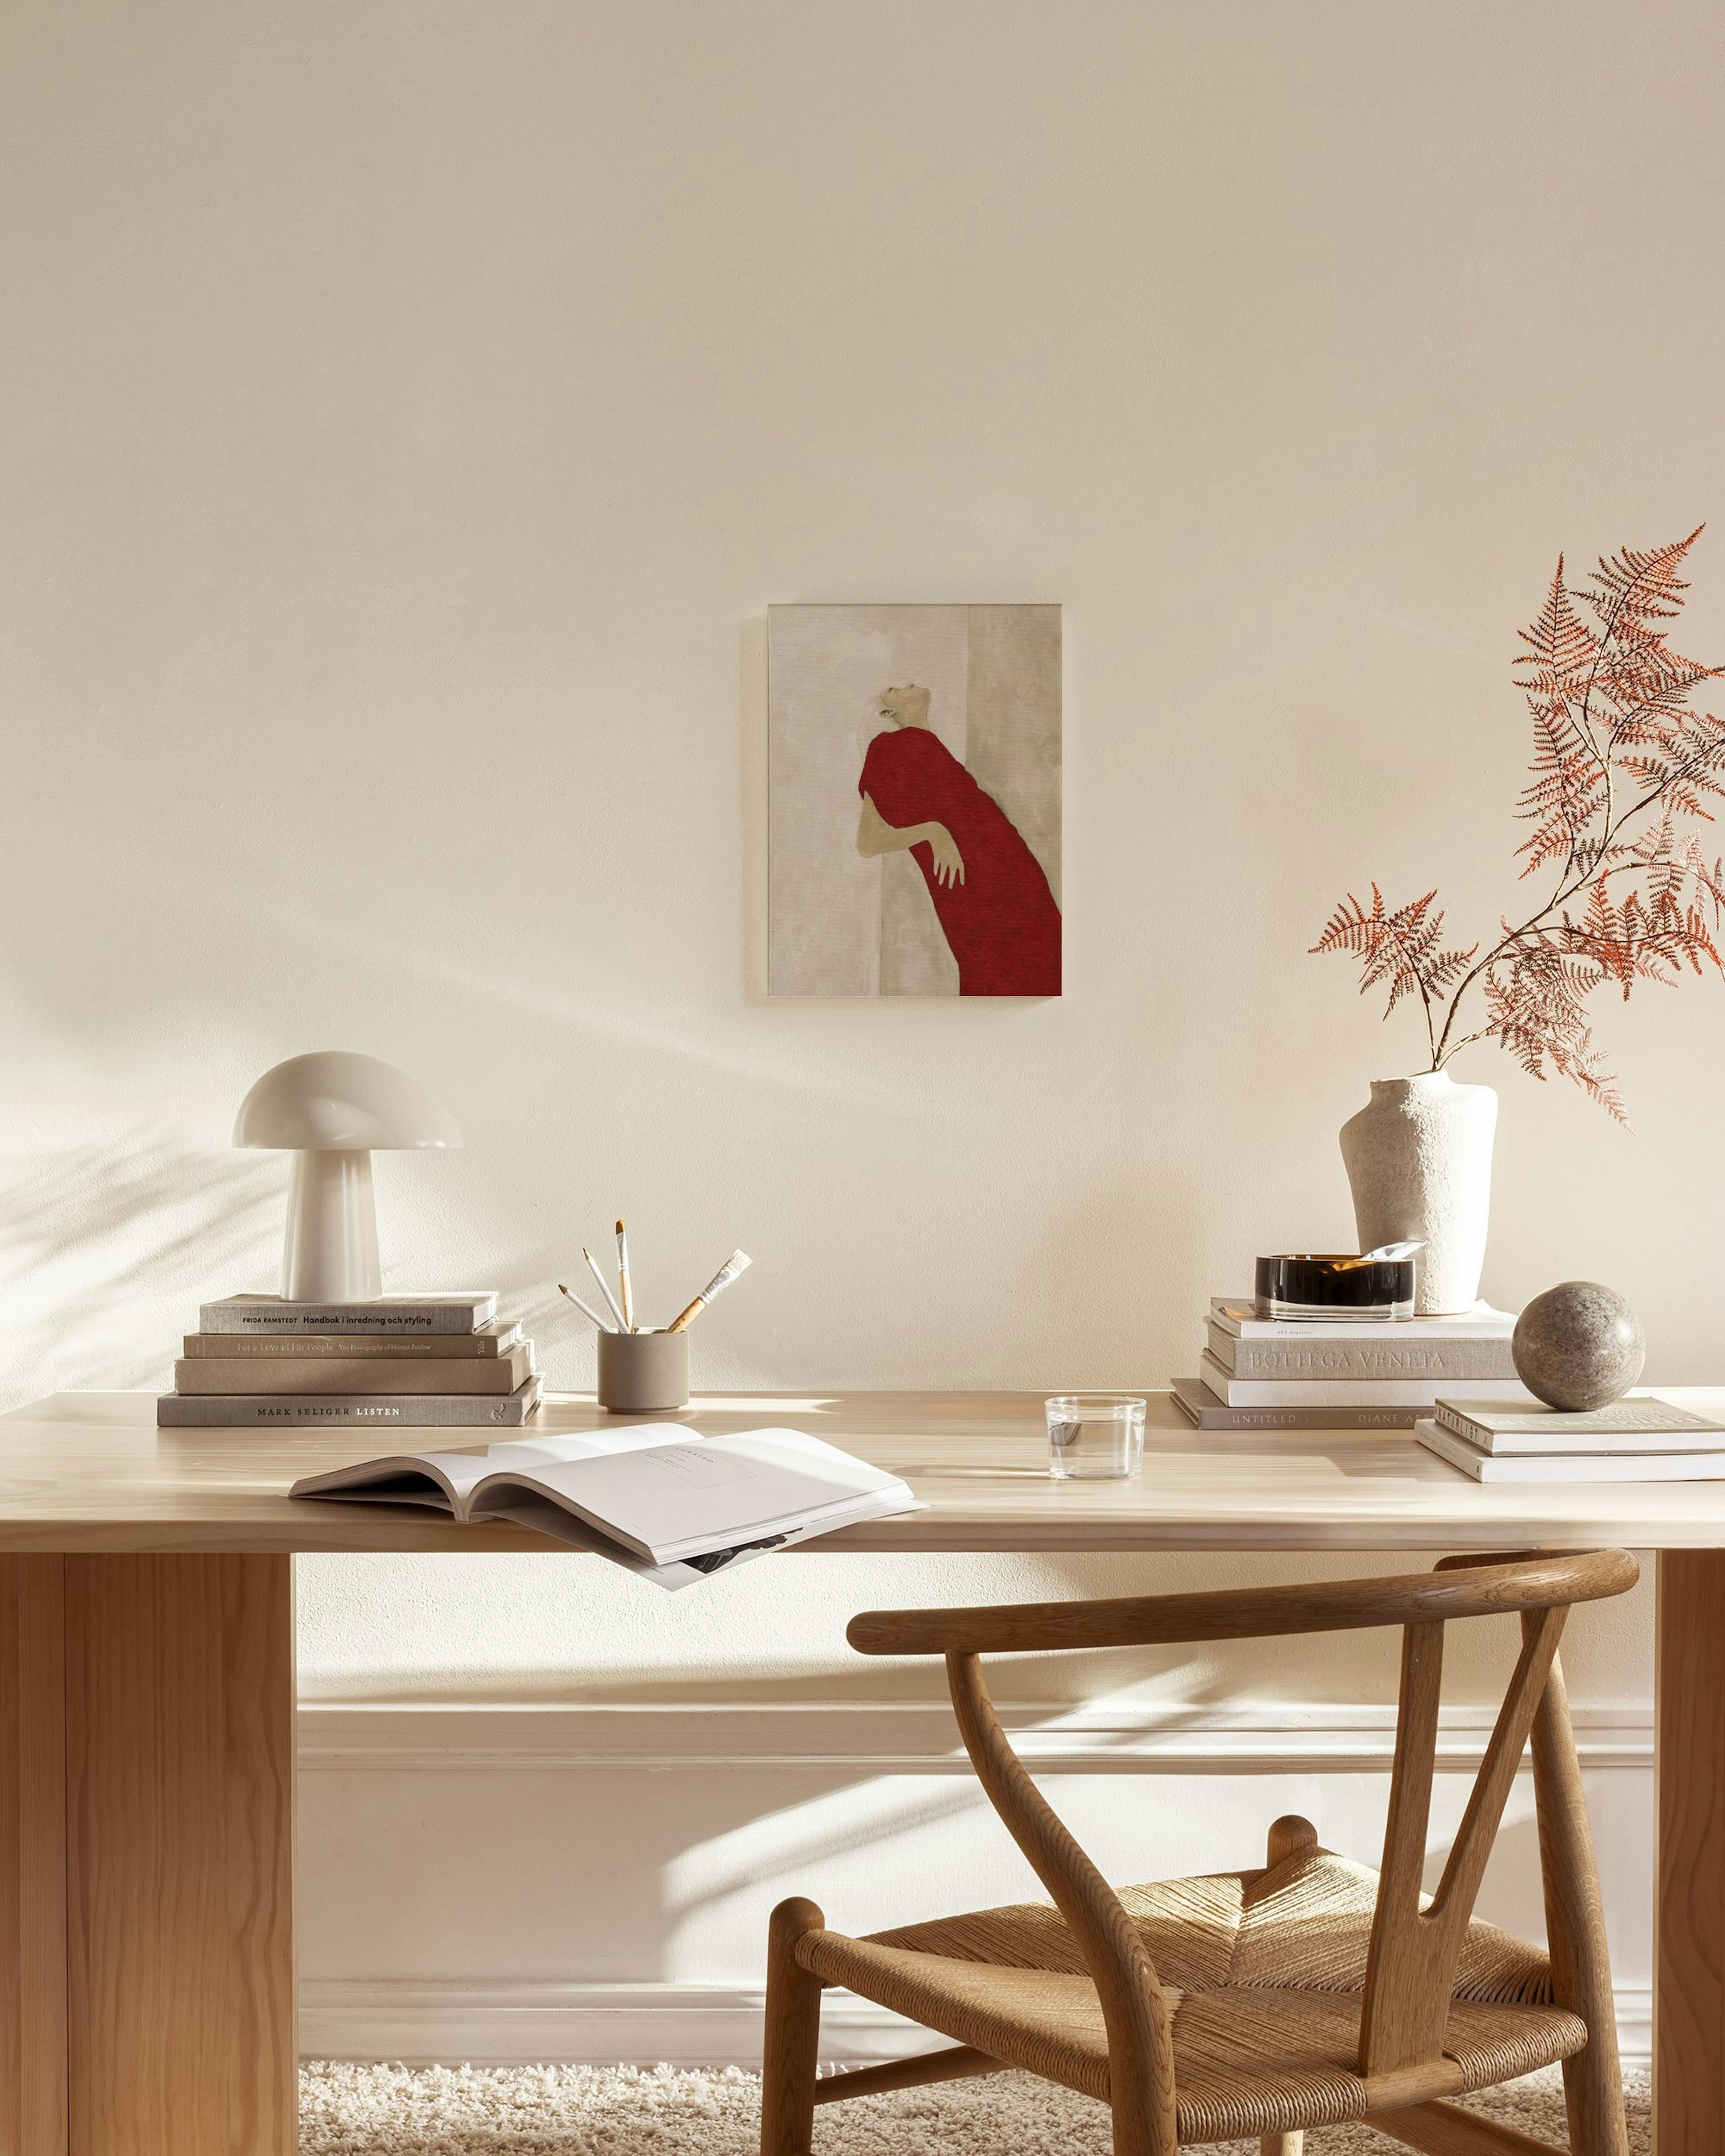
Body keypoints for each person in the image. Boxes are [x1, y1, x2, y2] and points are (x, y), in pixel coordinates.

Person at [856, 684, 1061, 996]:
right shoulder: (884, 747)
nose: (907, 685)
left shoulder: (932, 745)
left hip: (1013, 871)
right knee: (998, 969)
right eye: (894, 689)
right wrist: (932, 831)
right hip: (973, 881)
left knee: (1044, 957)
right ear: (889, 713)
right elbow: (868, 842)